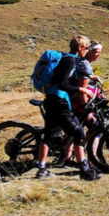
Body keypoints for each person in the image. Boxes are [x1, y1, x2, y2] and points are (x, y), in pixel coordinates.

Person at [35, 35, 100, 181]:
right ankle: (84, 170)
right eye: (87, 47)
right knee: (79, 133)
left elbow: (66, 80)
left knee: (50, 136)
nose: (88, 50)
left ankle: (41, 169)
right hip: (59, 102)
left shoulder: (67, 59)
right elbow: (63, 84)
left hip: (51, 99)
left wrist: (90, 77)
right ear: (81, 48)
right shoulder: (70, 60)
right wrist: (83, 90)